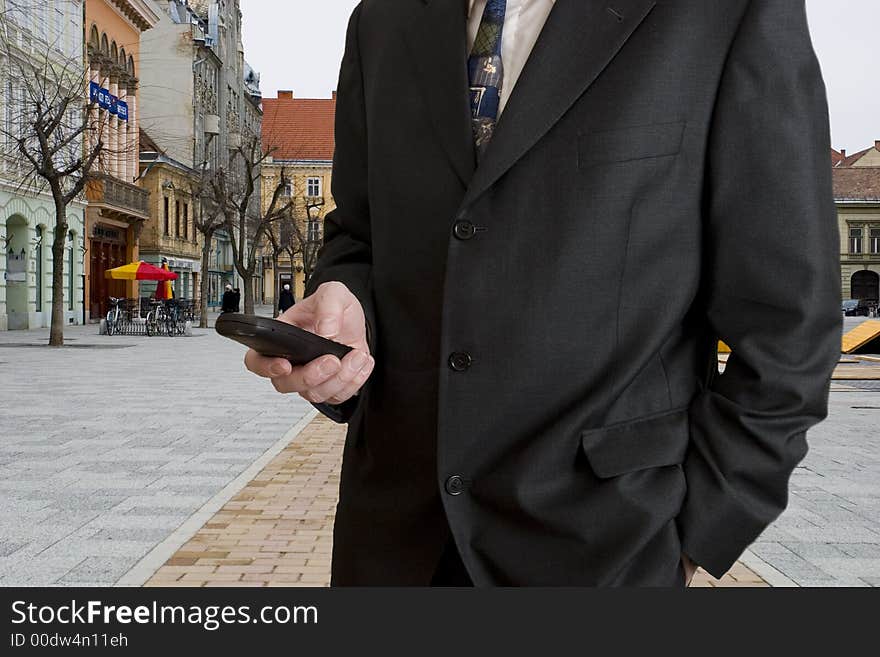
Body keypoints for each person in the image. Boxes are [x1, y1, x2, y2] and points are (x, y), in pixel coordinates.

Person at [245, 0, 842, 586]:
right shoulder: (382, 18)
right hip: (392, 544)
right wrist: (341, 302)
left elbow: (789, 319)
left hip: (609, 545)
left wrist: (698, 537)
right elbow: (359, 235)